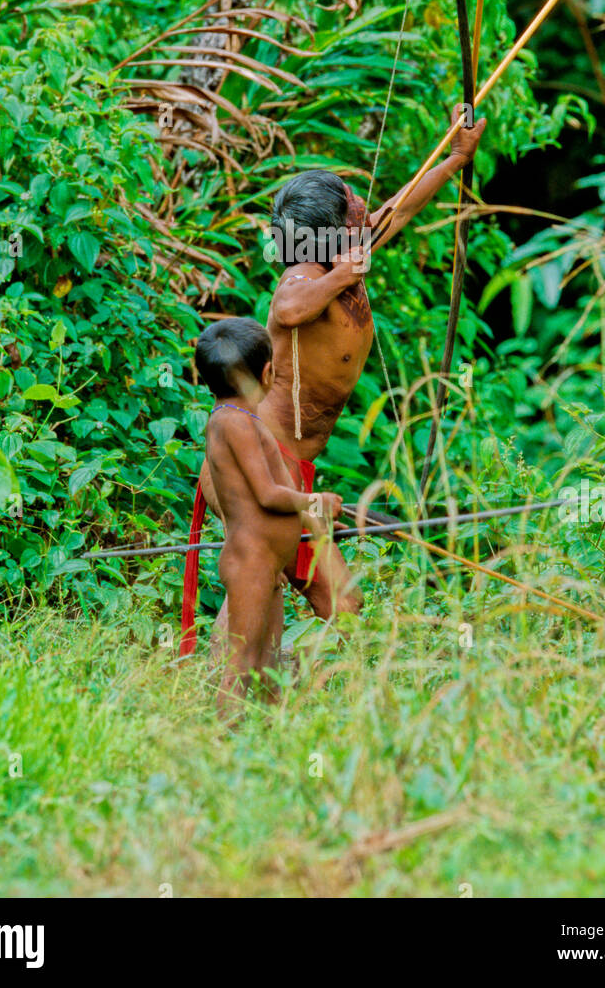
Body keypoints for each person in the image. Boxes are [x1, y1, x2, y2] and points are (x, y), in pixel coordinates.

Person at [193, 106, 486, 634]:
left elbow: (400, 207)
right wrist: (341, 276)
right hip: (263, 466)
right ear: (332, 231)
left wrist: (455, 159)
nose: (363, 206)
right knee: (340, 607)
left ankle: (238, 700)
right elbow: (287, 307)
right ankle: (246, 701)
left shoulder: (345, 251)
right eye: (352, 203)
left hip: (287, 467)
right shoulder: (307, 273)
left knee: (265, 589)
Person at [191, 317, 342, 714]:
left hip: (266, 564)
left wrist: (316, 522)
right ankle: (223, 748)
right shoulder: (233, 422)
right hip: (251, 563)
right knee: (241, 665)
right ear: (267, 371)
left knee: (267, 665)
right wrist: (316, 502)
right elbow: (267, 494)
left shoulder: (242, 420)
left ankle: (263, 746)